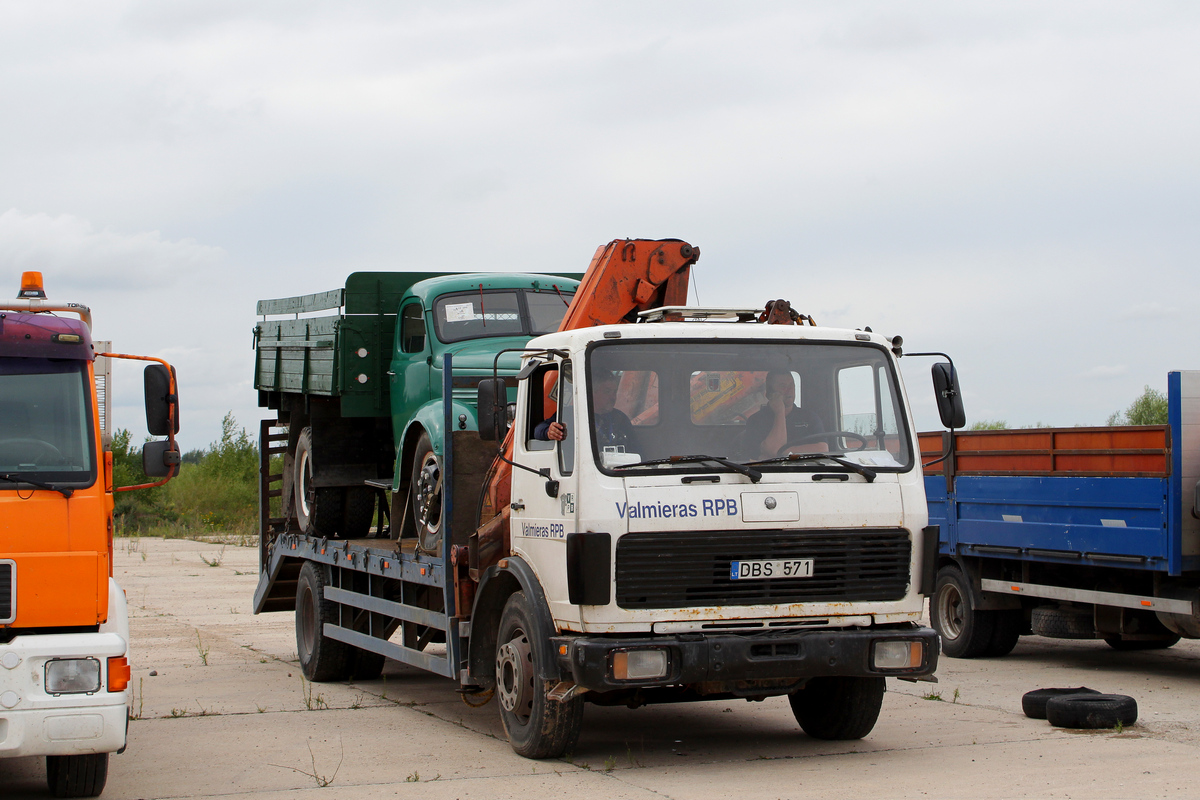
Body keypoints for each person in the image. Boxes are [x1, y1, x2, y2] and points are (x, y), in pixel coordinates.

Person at [533, 370, 633, 446]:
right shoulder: (570, 413)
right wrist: (549, 432)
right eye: (607, 391)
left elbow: (636, 448)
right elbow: (537, 430)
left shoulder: (620, 418)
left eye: (614, 392)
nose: (613, 397)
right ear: (592, 393)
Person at [743, 370, 824, 459]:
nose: (789, 390)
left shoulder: (809, 417)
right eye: (783, 386)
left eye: (791, 385)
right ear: (769, 393)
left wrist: (784, 452)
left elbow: (823, 448)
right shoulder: (756, 420)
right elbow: (772, 451)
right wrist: (780, 412)